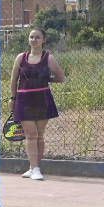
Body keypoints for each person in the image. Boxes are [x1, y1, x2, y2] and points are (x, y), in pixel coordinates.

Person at [8, 28, 64, 180]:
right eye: (31, 37)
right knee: (31, 135)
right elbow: (13, 80)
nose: (34, 40)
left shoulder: (49, 58)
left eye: (37, 37)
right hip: (24, 100)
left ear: (43, 40)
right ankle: (34, 168)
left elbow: (60, 77)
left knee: (39, 136)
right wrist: (12, 99)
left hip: (42, 99)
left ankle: (35, 168)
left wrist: (45, 79)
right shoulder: (21, 57)